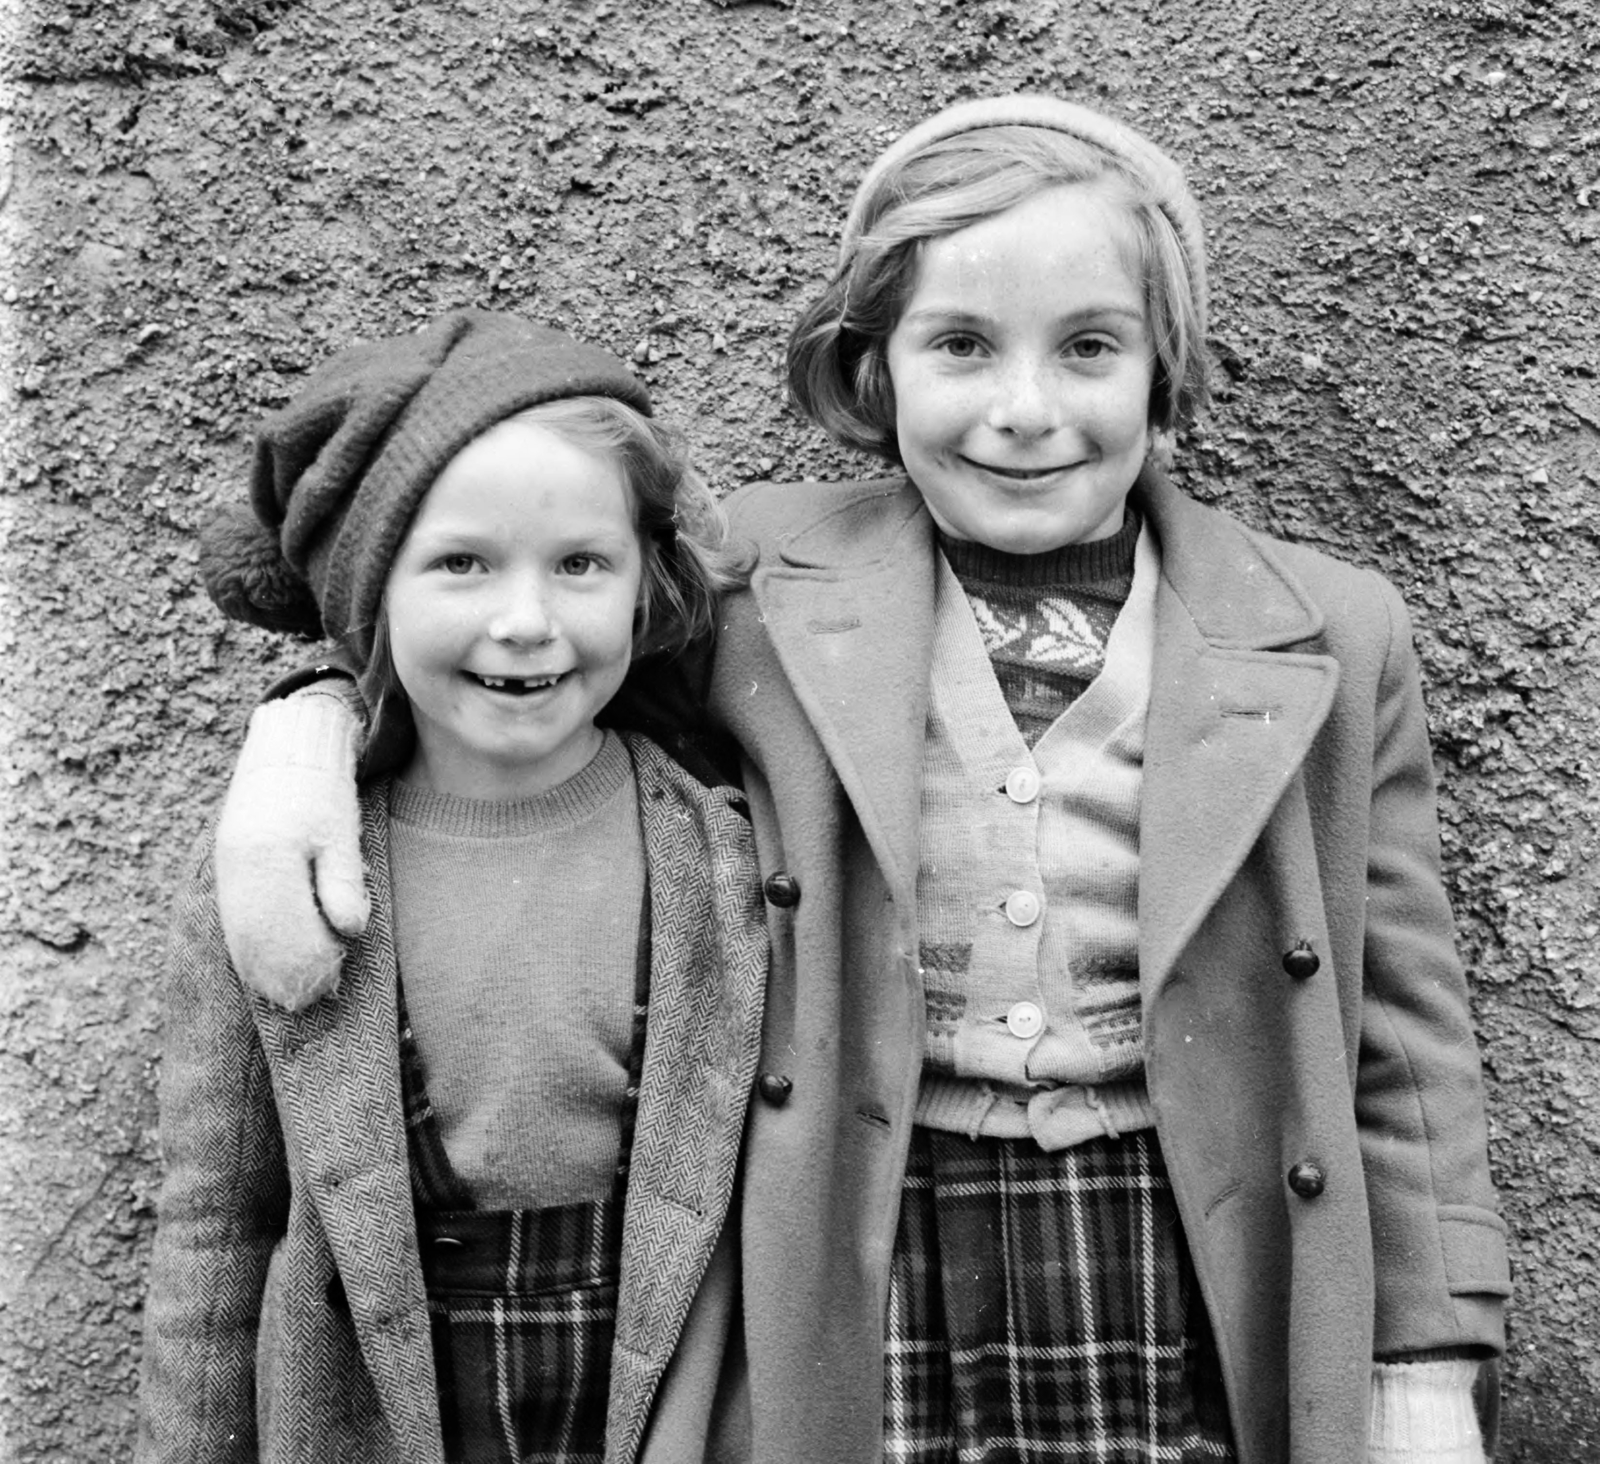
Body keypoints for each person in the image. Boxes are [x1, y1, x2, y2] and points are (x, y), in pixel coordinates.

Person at [203, 99, 1510, 1464]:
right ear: (874, 367)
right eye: (959, 345)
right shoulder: (750, 584)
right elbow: (521, 680)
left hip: (1191, 1238)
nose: (1024, 410)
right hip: (858, 1231)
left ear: (1162, 365)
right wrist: (304, 733)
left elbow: (1405, 1043)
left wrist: (1419, 1373)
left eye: (1088, 349)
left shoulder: (1333, 632)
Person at [134, 309, 767, 1464]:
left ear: (644, 582)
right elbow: (218, 1225)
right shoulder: (280, 861)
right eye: (462, 563)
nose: (523, 621)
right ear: (373, 590)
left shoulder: (721, 848)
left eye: (579, 563)